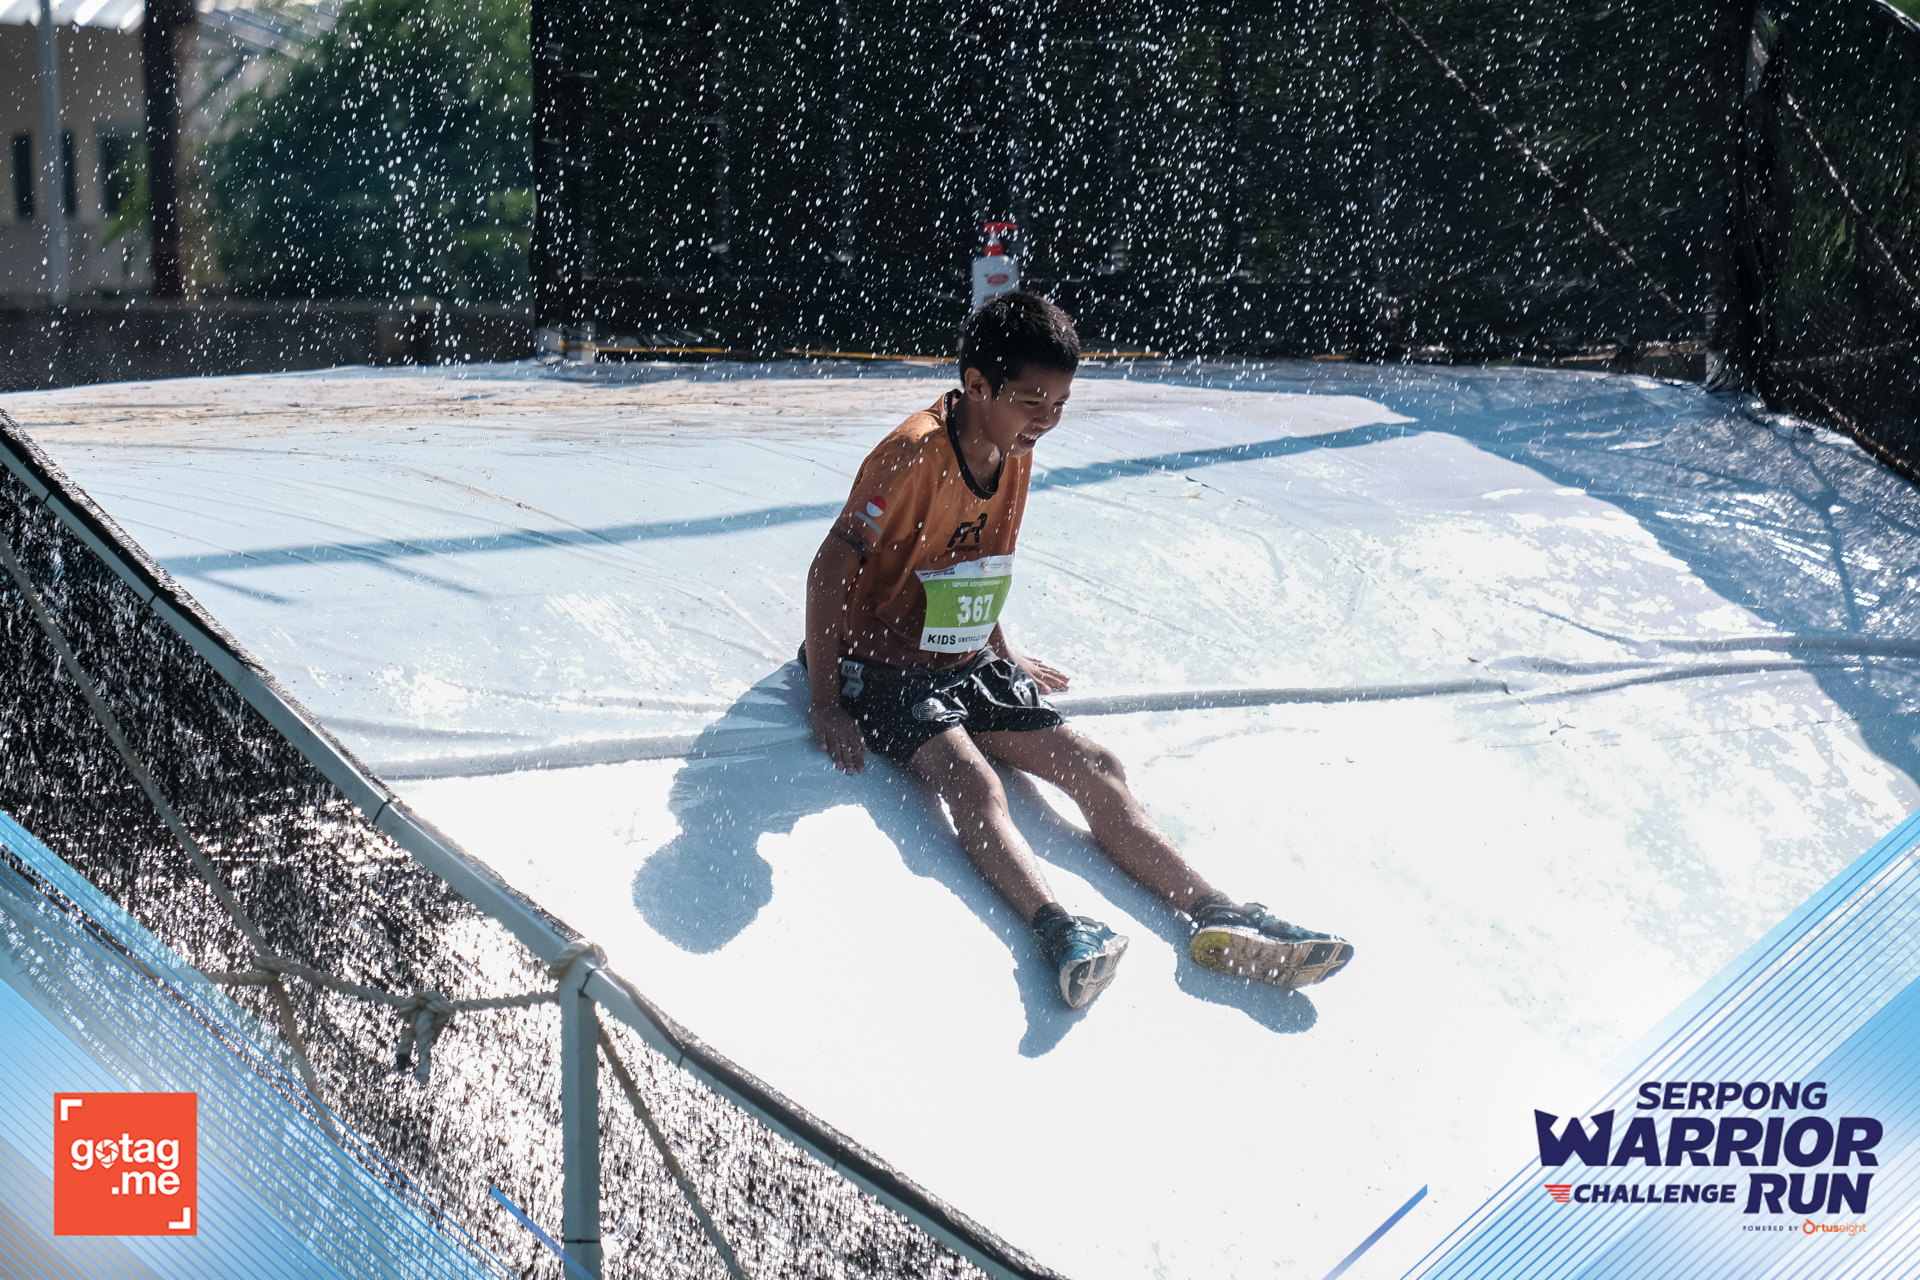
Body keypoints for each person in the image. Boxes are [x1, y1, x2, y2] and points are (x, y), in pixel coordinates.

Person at [801, 291, 1352, 1009]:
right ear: (976, 384)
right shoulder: (912, 455)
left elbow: (979, 557)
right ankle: (1060, 928)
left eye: (1060, 404)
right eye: (1032, 402)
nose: (1047, 420)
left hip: (961, 658)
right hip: (880, 666)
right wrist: (825, 700)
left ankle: (1216, 910)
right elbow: (830, 567)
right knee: (972, 782)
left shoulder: (1014, 448)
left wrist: (1002, 650)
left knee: (1097, 765)